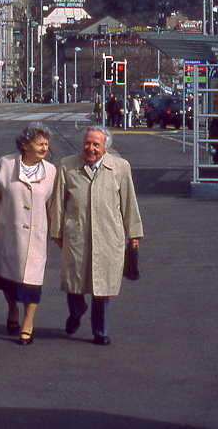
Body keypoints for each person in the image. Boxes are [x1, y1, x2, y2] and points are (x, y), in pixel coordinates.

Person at [48, 125, 143, 346]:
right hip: (76, 234)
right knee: (73, 282)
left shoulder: (120, 167)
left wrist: (134, 234)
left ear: (105, 148)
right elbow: (58, 202)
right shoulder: (68, 165)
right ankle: (76, 310)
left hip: (108, 235)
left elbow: (129, 202)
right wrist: (57, 231)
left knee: (102, 286)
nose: (90, 149)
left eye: (96, 145)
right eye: (87, 143)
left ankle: (100, 331)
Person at [0, 123, 57, 345]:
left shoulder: (50, 171)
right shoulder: (6, 164)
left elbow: (53, 205)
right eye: (39, 143)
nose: (44, 147)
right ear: (24, 144)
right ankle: (12, 309)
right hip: (8, 234)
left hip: (37, 237)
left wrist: (57, 230)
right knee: (9, 281)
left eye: (46, 144)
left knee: (32, 284)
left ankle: (28, 323)